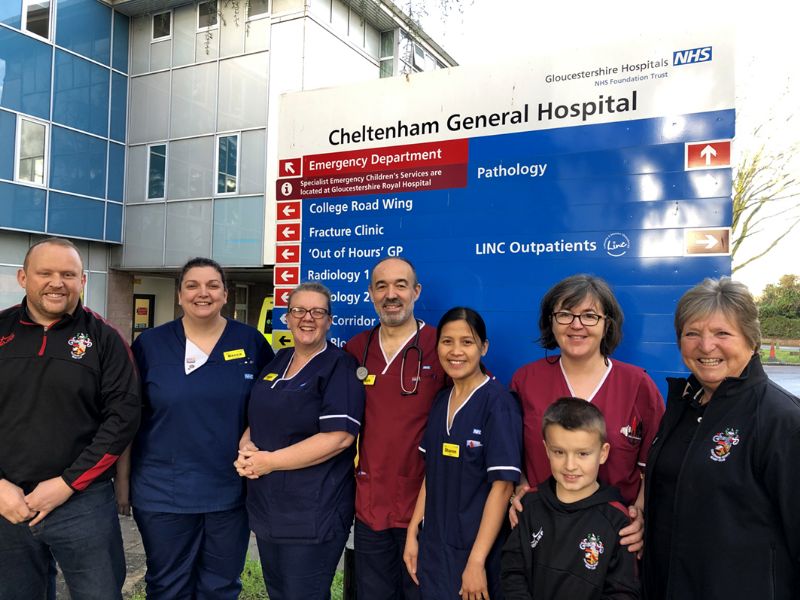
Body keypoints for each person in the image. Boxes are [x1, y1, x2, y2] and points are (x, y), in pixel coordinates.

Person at [116, 257, 273, 599]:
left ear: (225, 294)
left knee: (221, 586)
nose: (203, 293)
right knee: (167, 586)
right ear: (179, 295)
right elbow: (126, 416)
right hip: (162, 492)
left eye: (212, 285)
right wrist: (123, 481)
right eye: (192, 285)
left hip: (230, 491)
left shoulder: (251, 343)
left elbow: (271, 407)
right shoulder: (150, 345)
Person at [0, 237, 141, 600]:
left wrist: (67, 483)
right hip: (7, 501)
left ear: (82, 281)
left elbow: (123, 418)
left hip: (83, 502)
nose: (56, 282)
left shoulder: (105, 339)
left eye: (68, 274)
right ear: (22, 278)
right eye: (45, 273)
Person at [642, 277, 800, 600]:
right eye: (692, 333)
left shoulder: (781, 418)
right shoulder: (683, 407)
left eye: (722, 333)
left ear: (752, 340)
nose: (705, 345)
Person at [509, 274, 664, 553]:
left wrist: (641, 513)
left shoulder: (637, 385)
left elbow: (656, 465)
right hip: (541, 533)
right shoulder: (525, 380)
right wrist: (518, 489)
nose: (576, 325)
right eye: (565, 314)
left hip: (614, 541)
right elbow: (512, 452)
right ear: (551, 322)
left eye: (590, 315)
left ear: (607, 324)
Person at [235, 282, 364, 600]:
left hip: (313, 512)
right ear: (287, 318)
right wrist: (246, 447)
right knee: (278, 592)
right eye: (299, 310)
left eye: (318, 311)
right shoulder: (278, 360)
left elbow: (339, 438)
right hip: (269, 508)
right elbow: (259, 415)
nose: (308, 318)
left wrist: (269, 462)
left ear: (329, 321)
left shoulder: (339, 366)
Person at [344, 257, 446, 600]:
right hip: (371, 505)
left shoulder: (442, 345)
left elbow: (476, 404)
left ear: (416, 292)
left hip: (425, 506)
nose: (392, 294)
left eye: (400, 285)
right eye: (382, 286)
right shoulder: (357, 348)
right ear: (370, 294)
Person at [404, 307, 522, 600]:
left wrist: (477, 561)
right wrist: (412, 532)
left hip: (474, 553)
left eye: (467, 342)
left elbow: (503, 485)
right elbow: (432, 473)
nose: (456, 351)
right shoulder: (441, 401)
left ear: (484, 348)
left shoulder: (498, 404)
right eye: (447, 341)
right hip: (434, 548)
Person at [501, 398, 639, 599]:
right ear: (547, 450)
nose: (570, 465)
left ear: (603, 453)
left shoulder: (618, 520)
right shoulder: (528, 506)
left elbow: (623, 592)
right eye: (559, 452)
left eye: (582, 454)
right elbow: (512, 571)